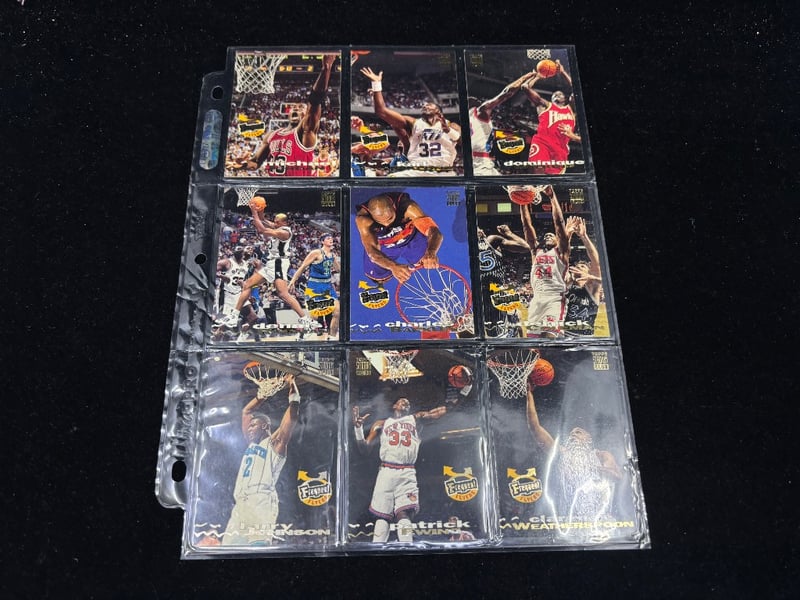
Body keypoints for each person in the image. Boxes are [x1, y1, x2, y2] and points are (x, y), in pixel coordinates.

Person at [524, 379, 622, 536]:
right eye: (571, 434)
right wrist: (529, 395)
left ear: (589, 440)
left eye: (579, 432)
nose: (574, 434)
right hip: (569, 517)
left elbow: (615, 476)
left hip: (598, 515)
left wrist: (589, 468)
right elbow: (535, 428)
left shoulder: (601, 455)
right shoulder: (562, 454)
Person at [352, 397, 447, 543]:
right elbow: (364, 450)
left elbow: (438, 412)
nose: (406, 403)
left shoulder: (415, 419)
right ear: (395, 405)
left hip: (406, 471)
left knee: (404, 514)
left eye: (408, 402)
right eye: (402, 401)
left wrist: (452, 404)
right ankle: (378, 548)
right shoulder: (381, 424)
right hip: (386, 471)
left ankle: (406, 545)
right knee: (382, 516)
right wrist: (358, 429)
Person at [222, 375, 301, 546]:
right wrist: (263, 394)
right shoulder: (251, 444)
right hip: (240, 504)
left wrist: (292, 388)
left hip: (261, 501)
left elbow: (292, 417)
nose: (249, 428)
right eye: (249, 426)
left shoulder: (275, 444)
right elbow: (246, 412)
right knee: (228, 549)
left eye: (253, 425)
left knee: (257, 548)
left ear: (264, 426)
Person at [220, 199, 314, 331]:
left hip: (278, 263)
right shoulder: (278, 227)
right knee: (247, 285)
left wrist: (253, 211)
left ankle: (305, 320)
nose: (274, 223)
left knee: (283, 294)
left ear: (284, 223)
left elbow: (262, 230)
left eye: (277, 222)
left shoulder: (284, 232)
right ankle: (234, 316)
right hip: (272, 263)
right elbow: (263, 220)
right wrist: (261, 209)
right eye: (274, 221)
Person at [245, 54, 337, 176]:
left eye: (300, 108)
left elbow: (315, 100)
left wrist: (326, 69)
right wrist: (242, 164)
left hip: (298, 186)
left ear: (306, 114)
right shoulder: (271, 135)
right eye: (293, 107)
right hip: (275, 185)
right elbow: (255, 163)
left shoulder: (305, 131)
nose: (296, 109)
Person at [360, 67, 461, 176]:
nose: (425, 105)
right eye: (424, 105)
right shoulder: (413, 123)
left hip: (443, 171)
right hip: (418, 170)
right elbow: (382, 112)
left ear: (439, 110)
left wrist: (448, 131)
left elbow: (464, 142)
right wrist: (376, 85)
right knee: (392, 178)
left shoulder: (452, 125)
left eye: (429, 104)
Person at [355, 191, 443, 284]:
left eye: (390, 218)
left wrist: (431, 251)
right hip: (385, 245)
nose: (387, 224)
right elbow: (372, 252)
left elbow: (435, 232)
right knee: (379, 279)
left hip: (411, 238)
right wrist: (393, 266)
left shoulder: (409, 208)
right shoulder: (363, 220)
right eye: (380, 221)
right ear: (372, 215)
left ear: (393, 207)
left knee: (426, 260)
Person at [518, 186, 571, 337]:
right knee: (533, 341)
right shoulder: (536, 252)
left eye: (551, 235)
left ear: (558, 240)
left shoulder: (561, 252)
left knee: (549, 337)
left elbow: (559, 223)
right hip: (536, 299)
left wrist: (552, 197)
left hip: (554, 298)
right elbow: (526, 226)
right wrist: (522, 202)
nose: (548, 236)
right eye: (546, 235)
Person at [468, 71, 536, 175]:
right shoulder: (481, 111)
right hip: (481, 164)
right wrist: (525, 77)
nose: (479, 100)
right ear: (471, 104)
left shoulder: (470, 119)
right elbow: (505, 93)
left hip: (479, 160)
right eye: (475, 99)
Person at [521, 60, 581, 175]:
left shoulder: (571, 109)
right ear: (552, 99)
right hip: (542, 143)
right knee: (537, 174)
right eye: (554, 94)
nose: (557, 94)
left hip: (560, 149)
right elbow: (525, 87)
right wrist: (537, 77)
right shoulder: (544, 105)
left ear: (565, 98)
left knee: (551, 181)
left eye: (560, 93)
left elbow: (577, 89)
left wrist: (563, 72)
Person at [476, 224, 530, 337]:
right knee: (490, 332)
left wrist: (509, 234)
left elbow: (525, 247)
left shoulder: (491, 240)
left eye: (479, 228)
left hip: (494, 290)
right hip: (481, 292)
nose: (479, 230)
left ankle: (514, 329)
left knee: (499, 331)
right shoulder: (466, 247)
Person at [287, 232, 340, 338]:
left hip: (327, 285)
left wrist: (336, 263)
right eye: (328, 238)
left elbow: (338, 269)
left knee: (337, 311)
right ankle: (302, 336)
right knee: (314, 317)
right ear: (322, 241)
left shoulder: (332, 255)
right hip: (315, 286)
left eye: (331, 238)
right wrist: (292, 281)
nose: (331, 239)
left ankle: (332, 338)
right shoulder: (316, 253)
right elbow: (302, 267)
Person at [564, 217, 603, 336]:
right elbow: (562, 256)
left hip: (585, 338)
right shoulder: (568, 283)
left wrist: (584, 236)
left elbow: (596, 263)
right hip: (564, 334)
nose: (578, 268)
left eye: (582, 266)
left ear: (588, 272)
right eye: (576, 266)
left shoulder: (592, 288)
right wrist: (567, 235)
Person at [216, 245, 251, 322]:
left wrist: (246, 291)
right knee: (225, 320)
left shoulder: (246, 264)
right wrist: (221, 276)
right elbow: (211, 270)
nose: (239, 253)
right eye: (237, 252)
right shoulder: (226, 262)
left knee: (252, 317)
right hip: (227, 293)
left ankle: (243, 328)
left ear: (243, 253)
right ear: (233, 253)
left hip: (239, 293)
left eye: (240, 252)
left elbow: (246, 281)